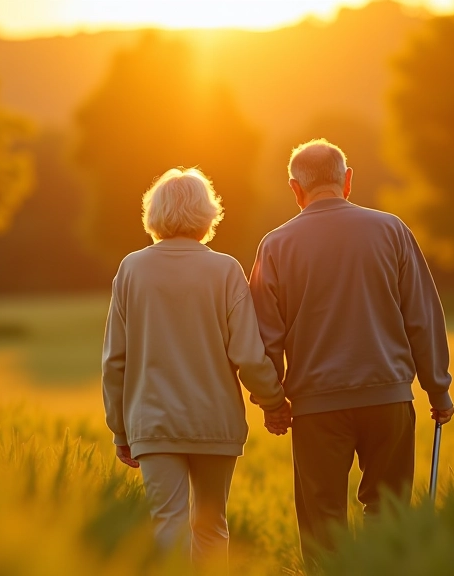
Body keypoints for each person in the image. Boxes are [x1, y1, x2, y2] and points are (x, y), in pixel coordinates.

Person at [249, 139, 454, 567]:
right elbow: (422, 317)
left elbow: (264, 338)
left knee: (322, 525)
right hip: (388, 400)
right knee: (389, 515)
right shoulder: (392, 230)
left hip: (316, 410)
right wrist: (437, 388)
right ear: (347, 180)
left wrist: (273, 402)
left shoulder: (275, 245)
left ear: (295, 189)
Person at [101, 167, 290, 571]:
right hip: (215, 422)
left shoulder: (131, 269)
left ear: (155, 213)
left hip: (153, 422)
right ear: (207, 214)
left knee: (167, 525)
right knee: (212, 526)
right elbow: (248, 354)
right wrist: (274, 401)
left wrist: (120, 428)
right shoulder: (226, 270)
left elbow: (115, 360)